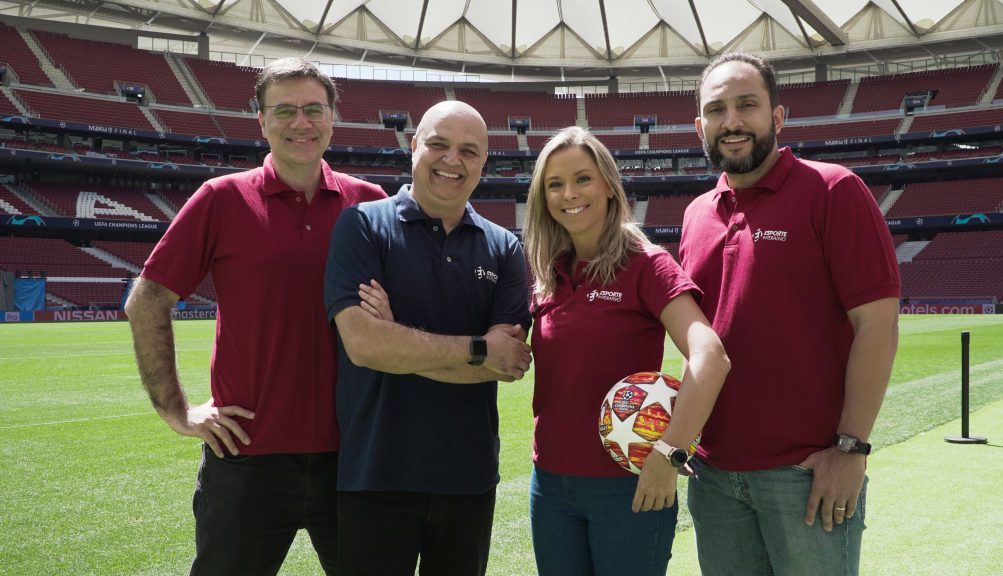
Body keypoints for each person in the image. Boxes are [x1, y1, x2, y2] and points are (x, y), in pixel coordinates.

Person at [124, 57, 387, 576]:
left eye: (314, 109)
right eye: (284, 110)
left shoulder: (371, 205)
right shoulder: (221, 199)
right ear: (261, 121)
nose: (300, 122)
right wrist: (177, 411)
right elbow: (147, 299)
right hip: (247, 457)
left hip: (355, 458)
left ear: (333, 117)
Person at [678, 52, 901, 576]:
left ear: (777, 116)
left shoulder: (833, 190)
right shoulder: (695, 216)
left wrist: (851, 448)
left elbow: (878, 325)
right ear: (700, 126)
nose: (731, 122)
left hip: (804, 473)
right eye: (717, 110)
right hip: (712, 476)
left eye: (746, 105)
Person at [323, 100, 533, 576]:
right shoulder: (361, 226)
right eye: (438, 144)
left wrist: (395, 339)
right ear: (414, 146)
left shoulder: (504, 247)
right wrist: (478, 348)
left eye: (468, 150)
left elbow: (508, 362)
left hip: (469, 477)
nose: (452, 160)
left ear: (484, 162)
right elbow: (364, 346)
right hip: (376, 474)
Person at [522, 126, 731, 576]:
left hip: (630, 487)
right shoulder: (548, 273)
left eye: (582, 178)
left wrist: (670, 452)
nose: (568, 194)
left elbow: (710, 356)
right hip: (551, 485)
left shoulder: (646, 264)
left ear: (608, 186)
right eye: (554, 184)